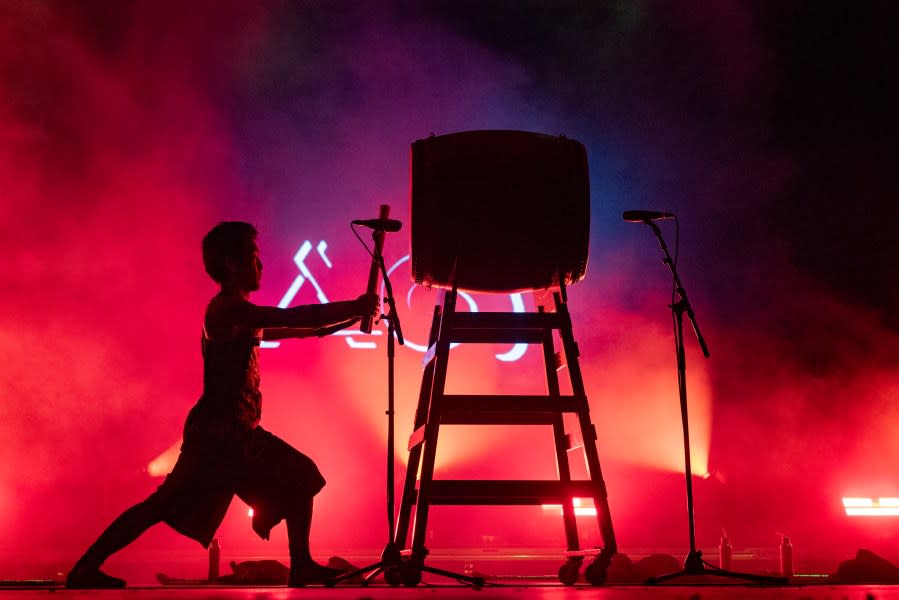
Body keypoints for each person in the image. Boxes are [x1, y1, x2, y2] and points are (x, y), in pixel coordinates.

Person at [66, 221, 379, 588]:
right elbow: (290, 318)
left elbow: (301, 327)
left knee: (300, 475)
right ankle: (84, 569)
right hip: (216, 440)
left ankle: (302, 564)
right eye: (253, 257)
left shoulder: (241, 315)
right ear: (231, 264)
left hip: (236, 437)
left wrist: (353, 314)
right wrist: (353, 307)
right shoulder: (227, 311)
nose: (260, 266)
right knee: (161, 505)